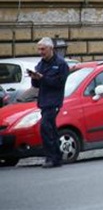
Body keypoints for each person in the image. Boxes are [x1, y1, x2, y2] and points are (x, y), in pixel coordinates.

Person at [29, 37, 70, 168]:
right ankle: (56, 157)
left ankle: (51, 157)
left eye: (43, 49)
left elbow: (60, 84)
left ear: (51, 48)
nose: (40, 52)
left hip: (54, 101)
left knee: (45, 127)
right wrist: (34, 78)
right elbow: (36, 85)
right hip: (43, 101)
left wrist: (43, 78)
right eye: (39, 49)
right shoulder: (41, 64)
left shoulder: (61, 64)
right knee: (51, 130)